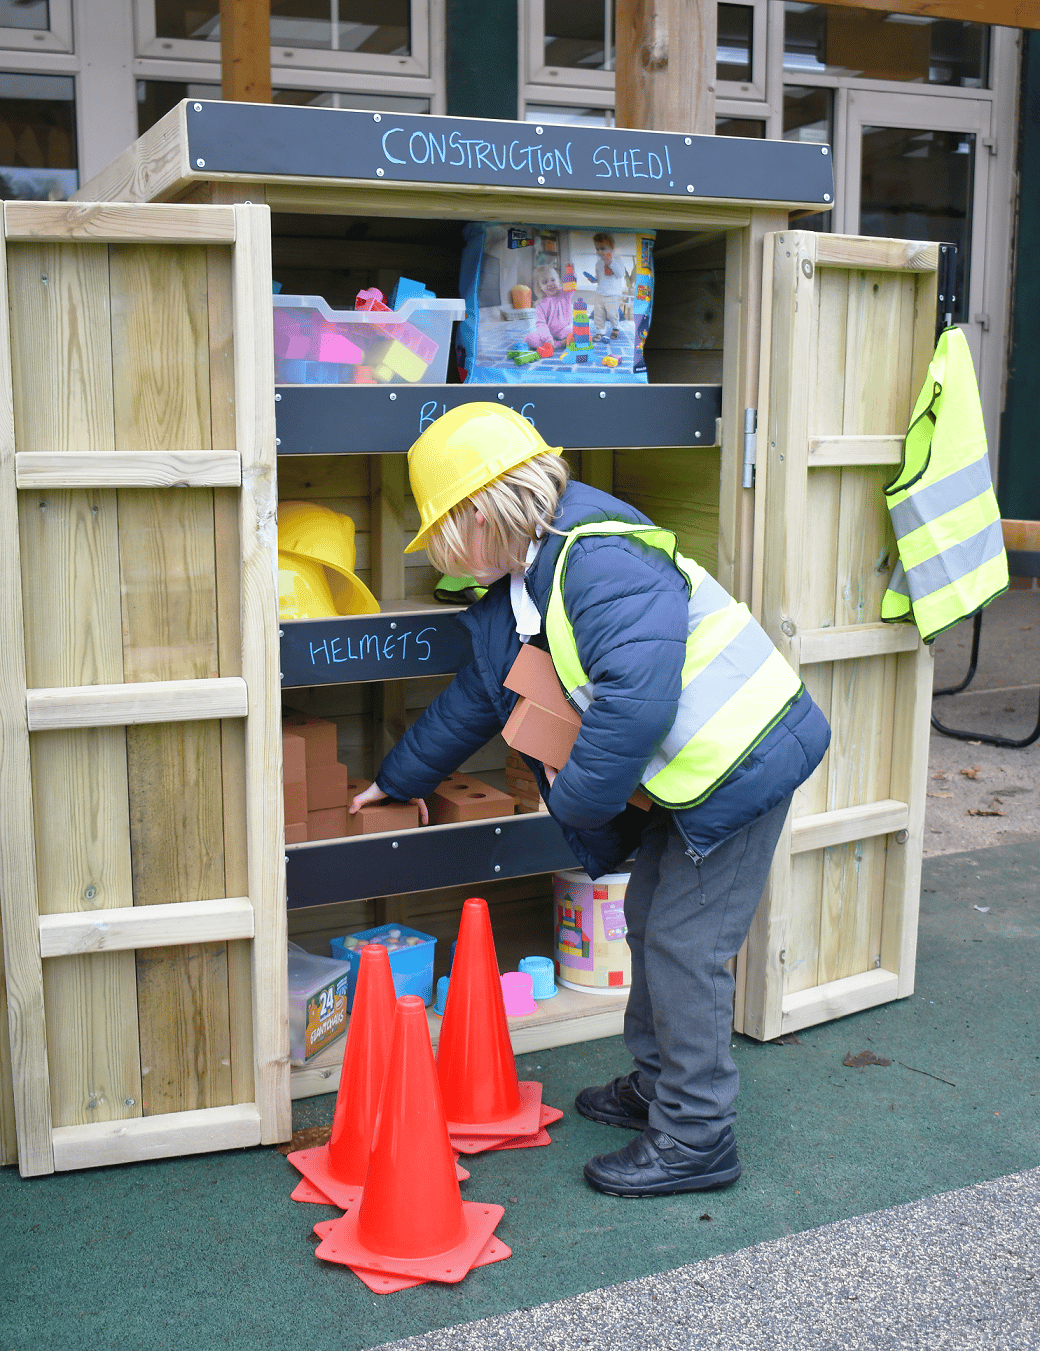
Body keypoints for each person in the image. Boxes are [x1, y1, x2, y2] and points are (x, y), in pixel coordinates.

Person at [350, 403, 831, 1197]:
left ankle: (697, 1135)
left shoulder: (597, 559)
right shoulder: (519, 584)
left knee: (684, 944)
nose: (437, 554)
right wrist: (399, 777)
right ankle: (658, 1088)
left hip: (745, 761)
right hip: (695, 774)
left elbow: (634, 705)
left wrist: (573, 803)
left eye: (441, 534)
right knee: (650, 921)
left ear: (483, 514)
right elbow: (481, 695)